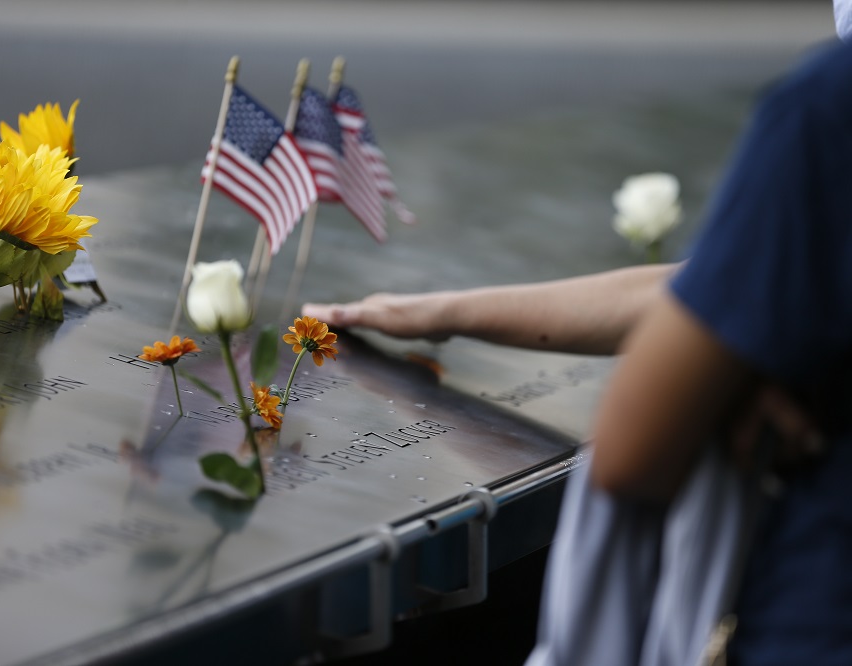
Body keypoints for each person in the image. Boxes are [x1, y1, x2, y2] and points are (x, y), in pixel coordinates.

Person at [305, 35, 852, 662]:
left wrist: (729, 378)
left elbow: (633, 446)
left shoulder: (831, 106)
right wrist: (441, 312)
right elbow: (705, 288)